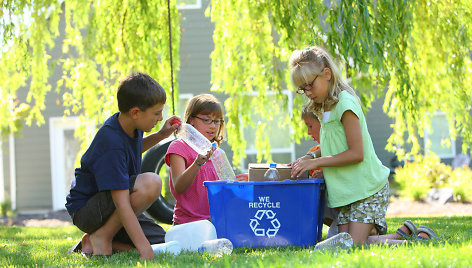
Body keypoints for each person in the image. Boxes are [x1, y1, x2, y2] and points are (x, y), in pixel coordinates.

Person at [289, 46, 437, 245]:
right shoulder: (324, 108)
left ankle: (417, 243)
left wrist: (316, 162)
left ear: (327, 74)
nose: (306, 92)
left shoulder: (345, 104)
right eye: (302, 88)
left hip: (366, 189)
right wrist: (311, 158)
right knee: (344, 243)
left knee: (353, 245)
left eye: (309, 85)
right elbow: (335, 146)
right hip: (346, 193)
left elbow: (356, 153)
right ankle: (400, 236)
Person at [65, 72, 181, 260]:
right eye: (156, 113)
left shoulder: (129, 125)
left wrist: (161, 135)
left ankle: (91, 241)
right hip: (88, 209)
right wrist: (145, 251)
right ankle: (103, 236)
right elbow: (120, 202)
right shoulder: (111, 141)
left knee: (162, 240)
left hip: (111, 206)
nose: (160, 118)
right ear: (135, 112)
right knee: (151, 182)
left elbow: (131, 150)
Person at [166, 94, 246, 225]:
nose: (213, 126)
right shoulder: (179, 147)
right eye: (207, 120)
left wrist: (239, 183)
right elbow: (179, 187)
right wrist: (198, 163)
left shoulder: (218, 153)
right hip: (188, 224)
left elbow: (226, 192)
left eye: (217, 121)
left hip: (216, 221)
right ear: (191, 120)